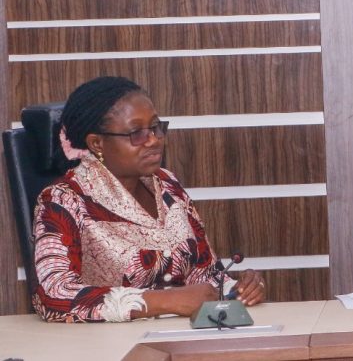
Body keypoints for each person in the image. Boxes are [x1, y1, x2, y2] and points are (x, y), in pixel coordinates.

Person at [32, 76, 265, 322]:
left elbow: (203, 275)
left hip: (183, 339)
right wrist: (162, 302)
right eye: (137, 133)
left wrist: (236, 288)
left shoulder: (168, 185)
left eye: (155, 128)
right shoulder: (63, 200)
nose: (154, 140)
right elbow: (54, 295)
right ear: (97, 143)